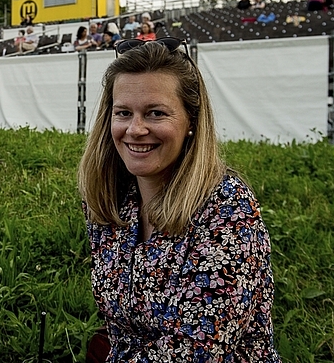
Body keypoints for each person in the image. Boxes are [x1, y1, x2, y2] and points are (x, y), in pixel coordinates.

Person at [79, 40, 280, 362]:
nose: (135, 129)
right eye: (123, 113)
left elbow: (196, 351)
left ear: (191, 121)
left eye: (156, 113)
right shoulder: (110, 200)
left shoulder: (227, 208)